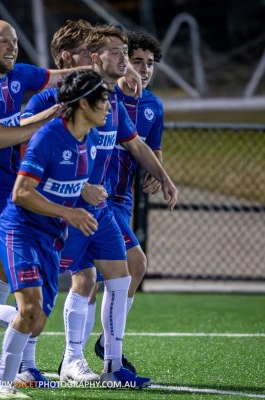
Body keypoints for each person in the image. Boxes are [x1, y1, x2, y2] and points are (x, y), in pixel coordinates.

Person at [0, 69, 110, 399]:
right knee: (28, 310)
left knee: (36, 321)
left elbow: (63, 184)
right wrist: (68, 212)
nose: (108, 105)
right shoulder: (48, 138)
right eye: (102, 99)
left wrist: (82, 193)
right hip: (20, 231)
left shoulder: (89, 140)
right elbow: (20, 192)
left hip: (49, 237)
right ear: (83, 103)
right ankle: (2, 383)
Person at [22, 25, 177, 387]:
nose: (126, 60)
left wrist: (165, 178)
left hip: (101, 208)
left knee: (121, 274)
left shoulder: (113, 101)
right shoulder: (57, 100)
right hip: (61, 209)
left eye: (129, 53)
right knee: (39, 285)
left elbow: (135, 144)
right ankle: (23, 360)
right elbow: (29, 151)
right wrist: (81, 186)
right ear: (93, 58)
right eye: (118, 53)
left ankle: (110, 366)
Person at [0, 19, 92, 384]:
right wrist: (47, 118)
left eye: (14, 41)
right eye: (3, 42)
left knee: (5, 278)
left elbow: (60, 75)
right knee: (1, 271)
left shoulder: (20, 75)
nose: (11, 47)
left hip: (7, 187)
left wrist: (103, 68)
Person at [93, 29, 165, 366]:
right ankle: (109, 351)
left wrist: (156, 172)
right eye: (136, 60)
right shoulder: (105, 95)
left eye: (149, 63)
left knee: (115, 272)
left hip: (122, 199)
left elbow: (152, 149)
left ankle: (100, 348)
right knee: (133, 264)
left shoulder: (153, 105)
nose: (143, 68)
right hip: (98, 196)